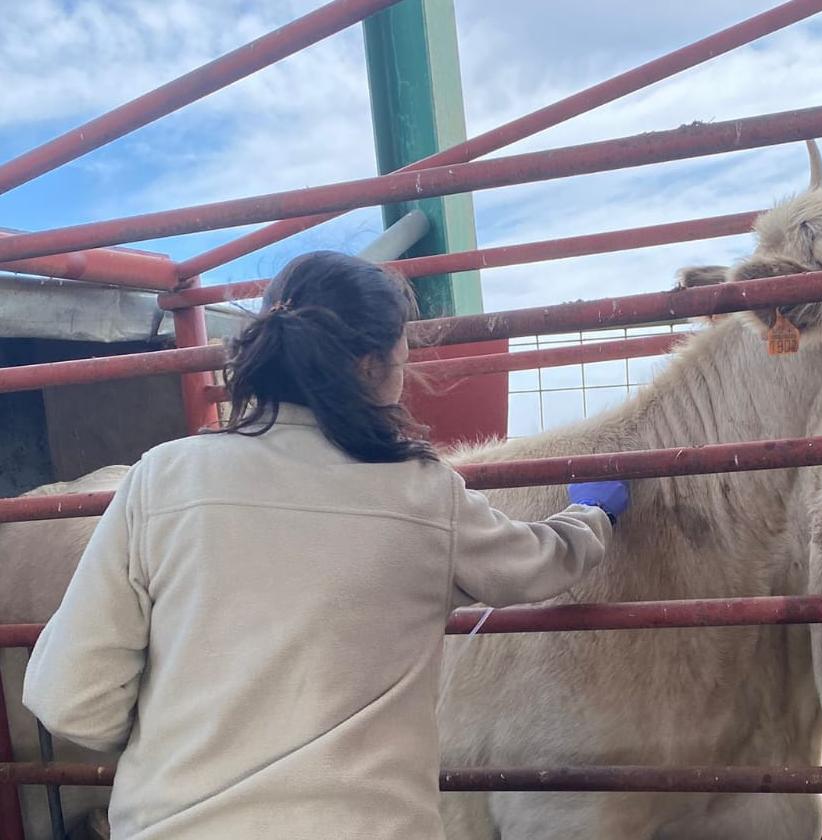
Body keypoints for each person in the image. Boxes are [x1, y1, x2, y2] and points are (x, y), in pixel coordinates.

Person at [23, 251, 630, 840]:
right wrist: (591, 514)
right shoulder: (422, 493)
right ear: (372, 364)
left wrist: (184, 743)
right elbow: (537, 564)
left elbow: (70, 700)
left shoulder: (163, 477)